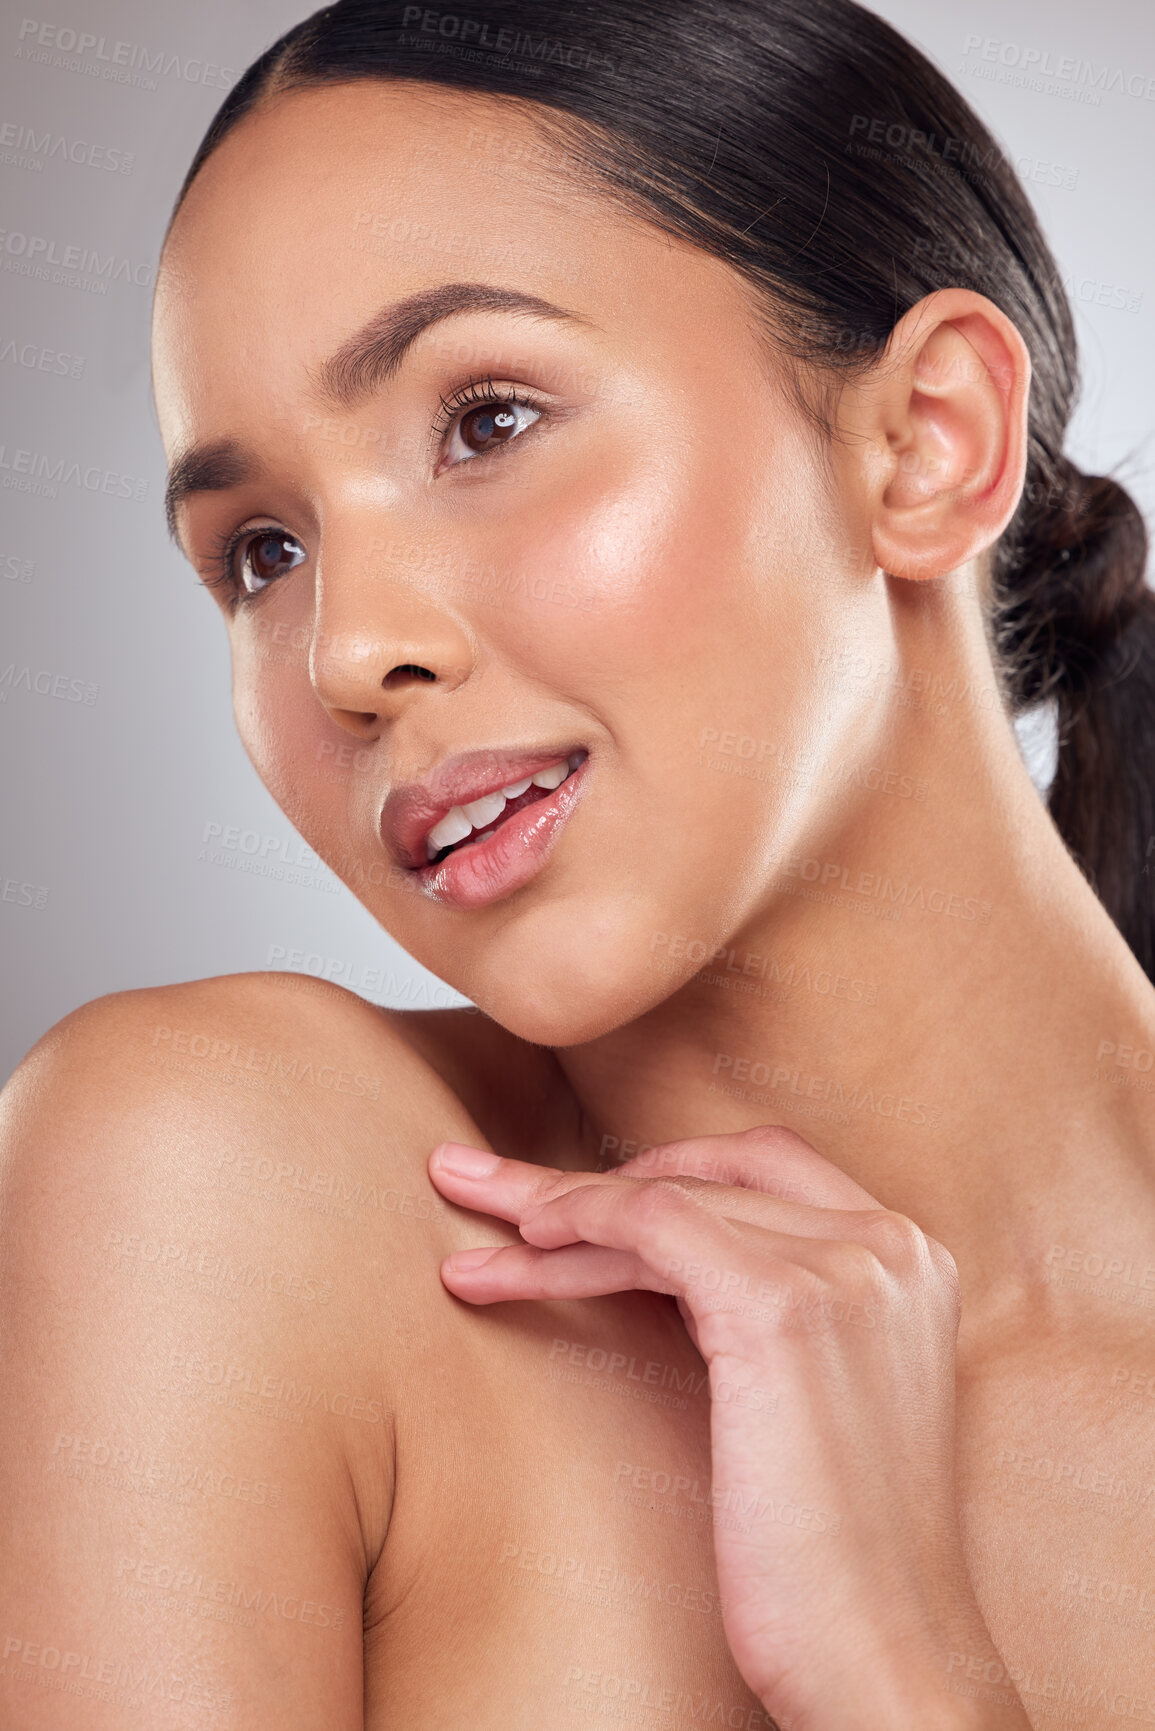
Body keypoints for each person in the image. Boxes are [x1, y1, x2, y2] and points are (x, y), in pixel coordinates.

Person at [1, 0, 1153, 1725]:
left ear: (926, 441)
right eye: (260, 551)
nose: (343, 652)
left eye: (485, 420)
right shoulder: (219, 1185)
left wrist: (903, 1673)